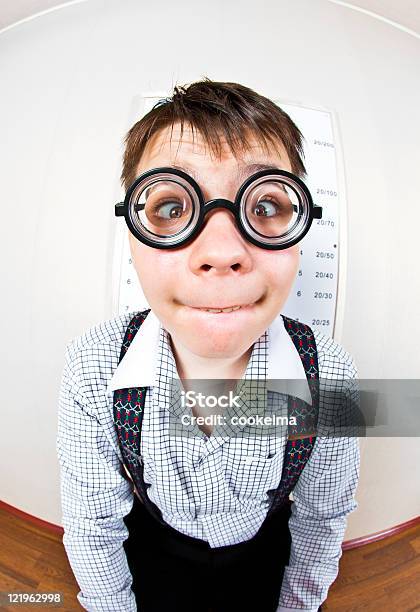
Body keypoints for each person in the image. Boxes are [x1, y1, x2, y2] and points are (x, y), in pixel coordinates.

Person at [56, 78, 360, 612]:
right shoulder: (89, 369)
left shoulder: (331, 374)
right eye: (172, 209)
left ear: (300, 227)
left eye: (264, 206)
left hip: (265, 556)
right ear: (133, 232)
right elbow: (93, 527)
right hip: (152, 555)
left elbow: (322, 517)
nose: (221, 252)